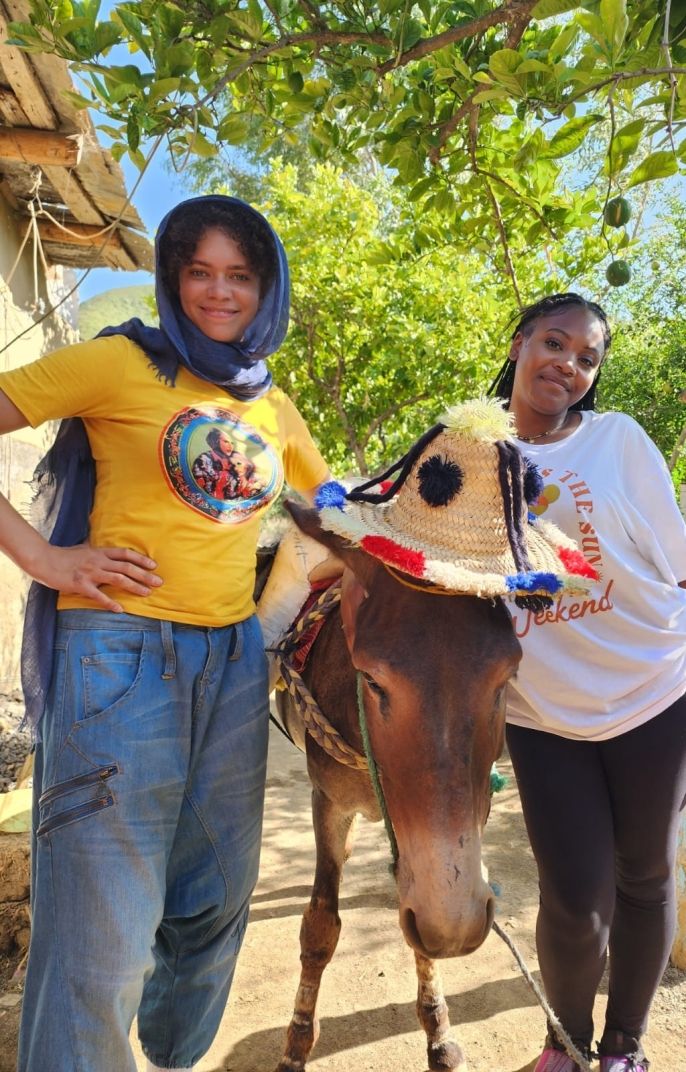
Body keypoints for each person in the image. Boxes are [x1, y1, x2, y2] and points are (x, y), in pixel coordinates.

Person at [0, 195, 330, 1072]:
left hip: (232, 662)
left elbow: (339, 515)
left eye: (240, 275)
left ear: (268, 289)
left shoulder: (272, 405)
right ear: (174, 276)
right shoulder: (119, 362)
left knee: (213, 901)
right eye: (200, 271)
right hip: (119, 655)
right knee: (101, 933)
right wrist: (45, 557)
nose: (219, 292)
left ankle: (168, 1055)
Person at [489, 292, 686, 1072]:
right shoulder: (464, 450)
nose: (568, 365)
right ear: (519, 343)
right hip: (544, 711)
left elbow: (674, 558)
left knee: (645, 876)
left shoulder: (618, 441)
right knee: (574, 897)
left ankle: (624, 1049)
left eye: (587, 358)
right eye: (555, 343)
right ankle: (564, 1045)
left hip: (654, 692)